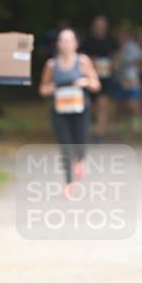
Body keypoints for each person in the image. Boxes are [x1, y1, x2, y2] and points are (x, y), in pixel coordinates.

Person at [38, 27, 101, 193]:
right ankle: (68, 184)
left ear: (76, 44)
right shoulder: (51, 65)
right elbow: (42, 89)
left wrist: (85, 82)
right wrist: (50, 88)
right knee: (65, 147)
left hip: (81, 109)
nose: (66, 44)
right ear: (58, 44)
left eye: (69, 40)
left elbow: (96, 84)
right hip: (60, 111)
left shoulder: (83, 61)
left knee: (80, 141)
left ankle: (80, 161)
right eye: (63, 41)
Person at [80, 15, 118, 139]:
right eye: (98, 23)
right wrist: (90, 62)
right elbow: (81, 56)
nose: (100, 26)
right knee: (90, 106)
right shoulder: (87, 40)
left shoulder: (111, 39)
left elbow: (117, 55)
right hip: (90, 77)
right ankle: (87, 131)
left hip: (106, 77)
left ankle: (99, 134)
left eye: (102, 23)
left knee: (103, 104)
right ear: (94, 25)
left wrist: (114, 63)